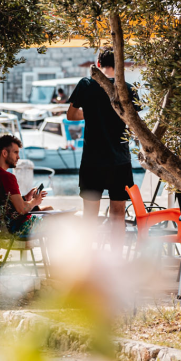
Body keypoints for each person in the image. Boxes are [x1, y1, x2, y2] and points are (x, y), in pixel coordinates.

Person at [66, 47, 137, 232]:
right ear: (119, 65)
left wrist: (92, 113)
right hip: (120, 160)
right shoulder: (128, 89)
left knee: (89, 215)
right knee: (118, 215)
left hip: (92, 161)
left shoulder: (86, 84)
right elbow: (134, 125)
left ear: (98, 64)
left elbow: (71, 115)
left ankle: (88, 251)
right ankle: (117, 252)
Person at [0, 134, 48, 235]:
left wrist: (25, 198)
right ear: (4, 153)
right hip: (16, 227)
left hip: (0, 225)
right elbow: (21, 209)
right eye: (15, 152)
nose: (18, 157)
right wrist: (35, 201)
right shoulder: (7, 177)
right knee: (61, 218)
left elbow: (6, 202)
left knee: (49, 209)